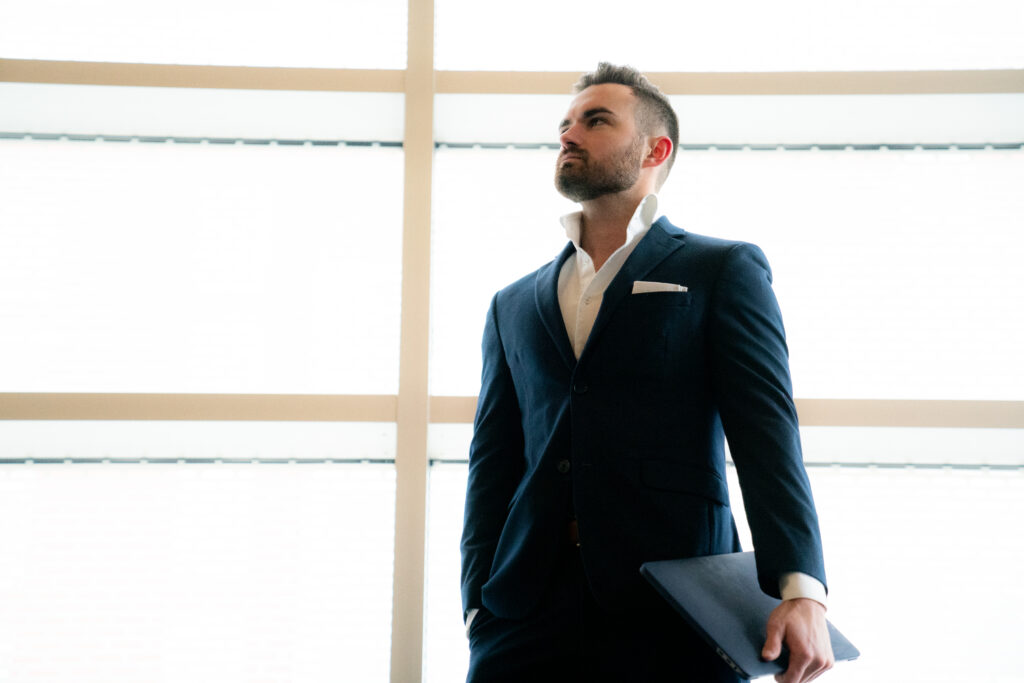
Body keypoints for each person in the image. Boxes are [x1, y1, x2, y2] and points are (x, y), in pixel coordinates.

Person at [460, 63, 834, 683]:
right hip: (524, 613)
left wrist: (802, 587)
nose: (569, 134)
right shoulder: (513, 303)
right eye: (565, 123)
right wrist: (477, 599)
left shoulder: (723, 269)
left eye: (596, 120)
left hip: (677, 605)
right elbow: (492, 465)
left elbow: (769, 436)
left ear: (655, 150)